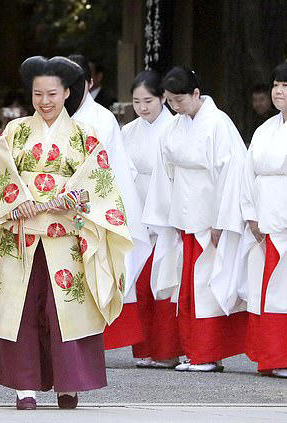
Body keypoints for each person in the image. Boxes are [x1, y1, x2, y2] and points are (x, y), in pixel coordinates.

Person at [0, 56, 132, 410]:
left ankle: (69, 383)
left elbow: (99, 183)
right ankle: (25, 385)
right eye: (38, 94)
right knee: (21, 308)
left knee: (65, 308)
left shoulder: (85, 135)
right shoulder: (15, 131)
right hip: (20, 234)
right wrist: (15, 201)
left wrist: (74, 197)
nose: (44, 101)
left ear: (67, 93)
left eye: (52, 93)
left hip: (66, 235)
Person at [143, 66, 248, 372]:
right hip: (183, 215)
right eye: (170, 101)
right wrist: (165, 213)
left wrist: (221, 220)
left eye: (180, 100)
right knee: (186, 284)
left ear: (196, 93)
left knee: (207, 284)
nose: (175, 107)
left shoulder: (218, 124)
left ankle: (208, 353)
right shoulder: (174, 128)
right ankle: (192, 351)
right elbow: (165, 172)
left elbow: (232, 174)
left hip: (209, 214)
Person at [67, 54, 152, 351]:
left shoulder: (101, 119)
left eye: (75, 83)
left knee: (97, 272)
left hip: (96, 205)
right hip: (62, 206)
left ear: (89, 83)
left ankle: (92, 338)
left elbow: (105, 168)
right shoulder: (56, 115)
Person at [121, 70, 183, 368]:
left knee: (165, 280)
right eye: (136, 102)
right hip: (137, 208)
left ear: (162, 99)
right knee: (141, 282)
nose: (143, 108)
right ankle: (145, 348)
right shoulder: (127, 131)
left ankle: (167, 350)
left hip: (166, 210)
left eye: (148, 101)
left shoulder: (174, 127)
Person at [239, 63, 287, 378]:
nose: (279, 91)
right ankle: (270, 356)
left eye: (286, 86)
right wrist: (251, 214)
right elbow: (248, 174)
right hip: (265, 216)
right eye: (276, 85)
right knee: (265, 287)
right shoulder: (265, 129)